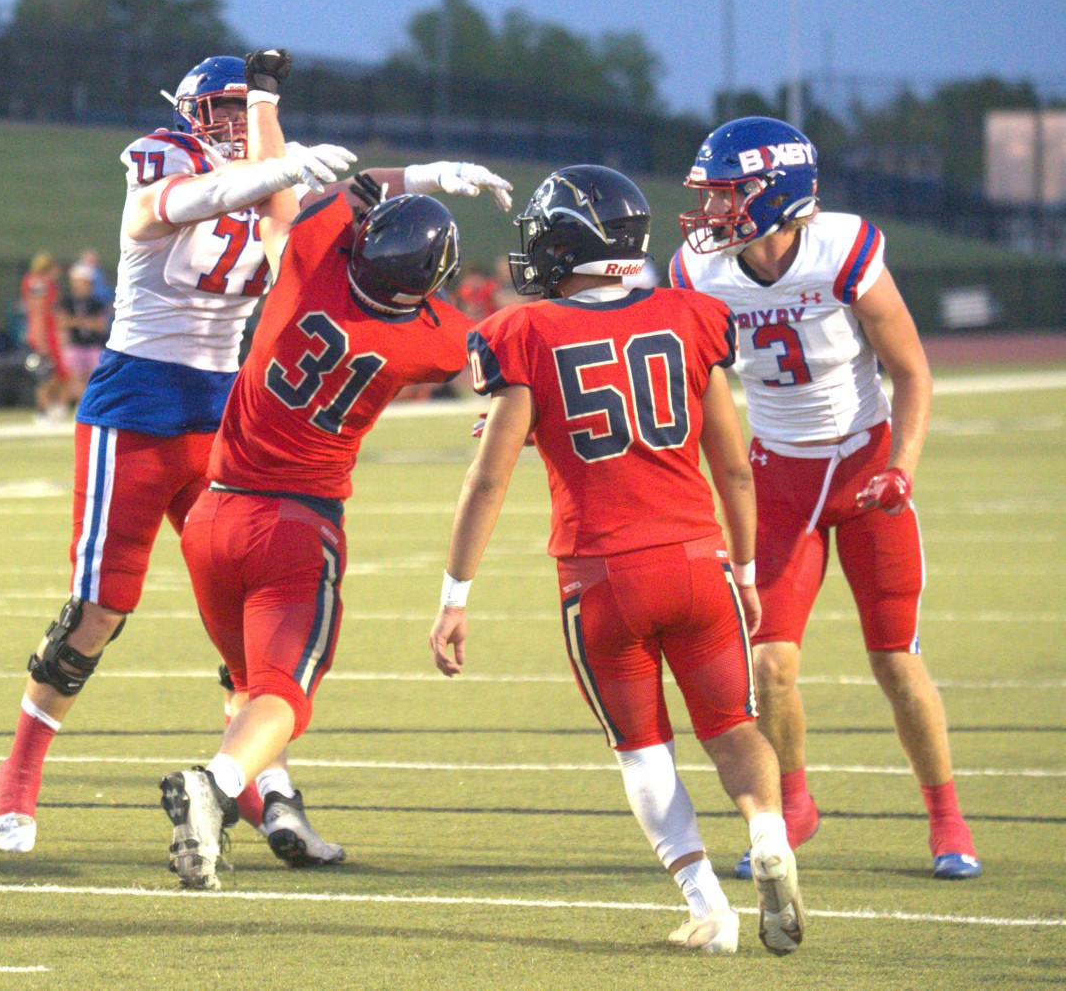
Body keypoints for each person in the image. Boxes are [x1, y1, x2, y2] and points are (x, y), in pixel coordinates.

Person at [0, 47, 511, 864]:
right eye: (220, 109)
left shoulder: (279, 183)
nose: (235, 123)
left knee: (246, 641)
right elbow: (190, 199)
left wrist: (429, 173)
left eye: (247, 108)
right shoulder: (169, 163)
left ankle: (274, 798)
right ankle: (19, 775)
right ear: (189, 115)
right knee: (98, 609)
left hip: (224, 413)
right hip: (134, 403)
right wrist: (277, 172)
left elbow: (352, 191)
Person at [430, 165, 805, 956]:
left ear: (569, 240)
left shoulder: (523, 332)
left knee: (642, 750)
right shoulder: (691, 314)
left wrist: (455, 594)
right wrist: (743, 571)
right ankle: (768, 834)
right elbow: (734, 467)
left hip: (601, 575)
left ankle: (709, 908)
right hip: (698, 559)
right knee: (733, 725)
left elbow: (489, 476)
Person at [158, 172, 512, 891]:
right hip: (296, 524)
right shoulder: (432, 338)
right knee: (285, 694)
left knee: (250, 682)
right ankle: (219, 784)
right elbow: (495, 357)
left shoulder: (310, 265)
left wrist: (412, 177)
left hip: (213, 515)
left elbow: (334, 192)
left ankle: (280, 805)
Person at [671, 116, 980, 881]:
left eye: (728, 194)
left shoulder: (841, 248)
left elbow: (911, 371)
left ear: (777, 192)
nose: (712, 212)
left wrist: (901, 467)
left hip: (866, 470)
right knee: (770, 663)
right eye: (709, 195)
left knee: (896, 661)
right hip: (778, 480)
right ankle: (796, 805)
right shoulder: (697, 271)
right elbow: (674, 375)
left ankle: (947, 814)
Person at [20, 252, 71, 424]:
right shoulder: (39, 283)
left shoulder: (41, 283)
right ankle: (44, 411)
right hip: (45, 334)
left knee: (56, 374)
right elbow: (38, 312)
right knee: (46, 375)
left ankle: (52, 409)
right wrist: (40, 339)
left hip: (48, 332)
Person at [60, 260, 112, 402]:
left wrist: (82, 322)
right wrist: (81, 322)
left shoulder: (96, 303)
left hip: (93, 345)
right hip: (75, 345)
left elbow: (101, 325)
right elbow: (62, 323)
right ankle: (79, 404)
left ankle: (89, 403)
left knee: (94, 378)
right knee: (74, 378)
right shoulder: (68, 302)